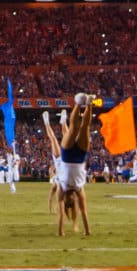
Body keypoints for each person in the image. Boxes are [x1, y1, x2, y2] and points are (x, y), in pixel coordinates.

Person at [54, 94, 92, 237]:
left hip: (67, 156)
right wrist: (88, 231)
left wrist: (60, 232)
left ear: (65, 199)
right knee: (85, 128)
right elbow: (84, 211)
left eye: (67, 200)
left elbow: (60, 213)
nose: (70, 199)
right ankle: (88, 104)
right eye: (71, 200)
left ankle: (78, 103)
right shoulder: (79, 189)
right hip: (80, 158)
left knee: (73, 129)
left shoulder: (61, 189)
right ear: (74, 200)